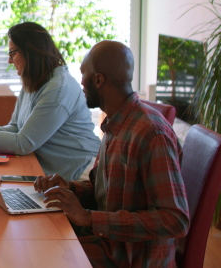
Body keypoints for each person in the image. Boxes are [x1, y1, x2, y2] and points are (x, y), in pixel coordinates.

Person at [34, 40, 189, 267]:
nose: (81, 83)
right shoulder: (115, 123)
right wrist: (70, 190)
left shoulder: (151, 133)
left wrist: (88, 218)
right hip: (109, 242)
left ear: (98, 79)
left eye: (83, 74)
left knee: (41, 255)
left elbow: (175, 219)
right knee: (35, 235)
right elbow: (107, 193)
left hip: (131, 257)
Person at [0, 22, 100, 180]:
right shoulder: (34, 81)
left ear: (30, 52)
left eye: (12, 53)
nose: (10, 61)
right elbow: (16, 127)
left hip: (79, 172)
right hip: (49, 170)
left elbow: (23, 143)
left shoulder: (58, 89)